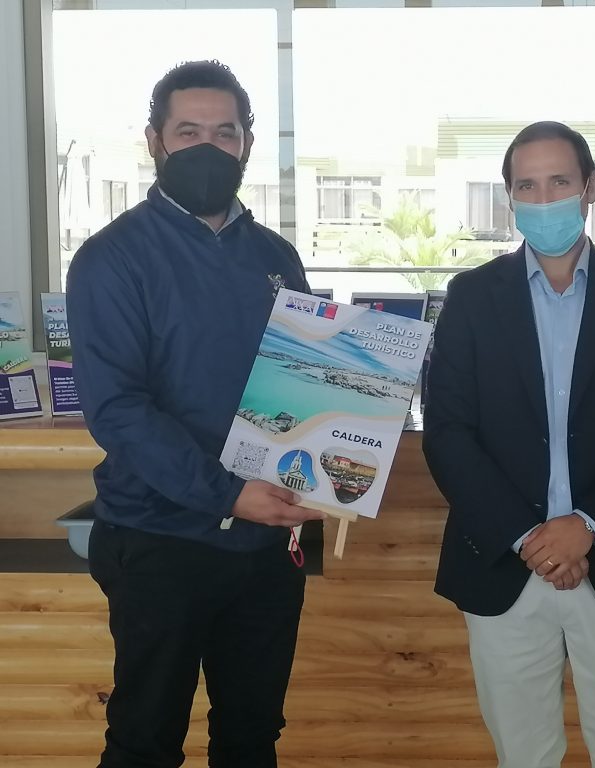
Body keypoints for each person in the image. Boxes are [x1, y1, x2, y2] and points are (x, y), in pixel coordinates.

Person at [67, 60, 324, 768]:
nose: (208, 147)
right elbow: (118, 409)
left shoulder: (276, 257)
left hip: (265, 545)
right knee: (145, 741)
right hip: (160, 540)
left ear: (247, 145)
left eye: (225, 133)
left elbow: (305, 385)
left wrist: (340, 450)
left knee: (252, 736)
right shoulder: (111, 259)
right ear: (155, 140)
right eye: (188, 132)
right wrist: (228, 493)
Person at [422, 120, 595, 768]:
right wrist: (531, 539)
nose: (544, 200)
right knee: (523, 755)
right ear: (510, 197)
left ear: (590, 188)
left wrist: (586, 527)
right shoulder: (471, 297)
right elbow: (448, 432)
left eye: (560, 182)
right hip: (504, 562)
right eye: (528, 186)